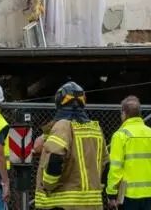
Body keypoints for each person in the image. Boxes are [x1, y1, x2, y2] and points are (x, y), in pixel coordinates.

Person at [34, 81, 108, 210]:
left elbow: (55, 158)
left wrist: (47, 185)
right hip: (92, 203)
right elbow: (105, 164)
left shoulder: (63, 126)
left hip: (63, 204)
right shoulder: (96, 129)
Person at [105, 96, 151, 210]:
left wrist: (111, 193)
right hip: (150, 193)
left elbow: (115, 167)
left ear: (124, 114)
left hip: (127, 194)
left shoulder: (120, 135)